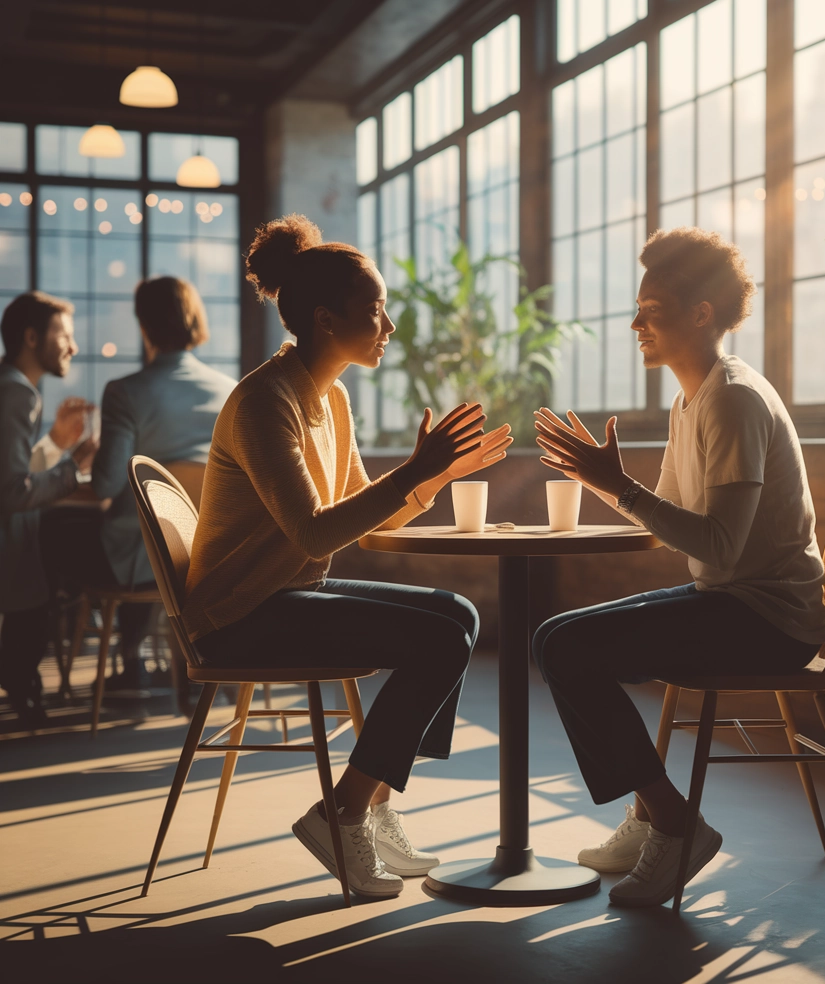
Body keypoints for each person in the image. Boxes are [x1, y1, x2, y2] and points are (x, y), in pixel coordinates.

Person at [183, 214, 512, 899]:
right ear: (328, 320)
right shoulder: (264, 402)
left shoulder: (329, 398)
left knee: (458, 615)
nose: (388, 326)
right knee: (438, 639)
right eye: (375, 311)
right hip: (243, 613)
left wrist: (432, 479)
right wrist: (415, 468)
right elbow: (313, 534)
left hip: (290, 595)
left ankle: (367, 802)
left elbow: (359, 518)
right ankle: (345, 811)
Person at [532, 227, 825, 908]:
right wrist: (604, 479)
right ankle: (649, 814)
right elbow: (670, 516)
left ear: (701, 313)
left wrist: (618, 485)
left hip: (767, 620)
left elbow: (717, 547)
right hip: (730, 600)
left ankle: (673, 822)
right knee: (556, 638)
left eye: (653, 309)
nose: (636, 323)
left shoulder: (732, 398)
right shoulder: (691, 397)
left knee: (568, 647)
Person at [46, 277, 236, 692]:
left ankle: (112, 659)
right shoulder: (230, 391)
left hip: (136, 561)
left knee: (55, 528)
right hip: (205, 559)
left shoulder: (126, 392)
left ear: (144, 324)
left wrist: (86, 451)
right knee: (145, 538)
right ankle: (168, 661)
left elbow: (106, 485)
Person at [0, 291, 97, 727]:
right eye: (65, 335)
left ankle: (21, 683)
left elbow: (12, 470)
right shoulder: (17, 394)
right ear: (32, 337)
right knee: (48, 580)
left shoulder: (14, 388)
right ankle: (23, 687)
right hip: (9, 543)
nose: (73, 347)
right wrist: (73, 467)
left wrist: (57, 442)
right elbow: (13, 491)